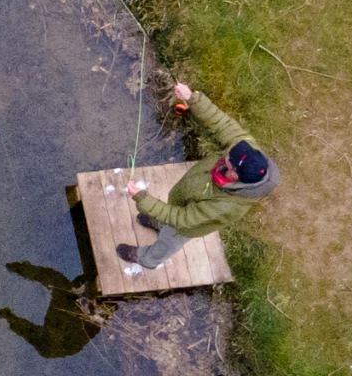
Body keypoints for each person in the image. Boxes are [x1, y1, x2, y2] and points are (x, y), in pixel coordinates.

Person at [120, 83, 281, 271]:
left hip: (185, 224)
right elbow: (222, 124)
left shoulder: (224, 206)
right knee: (168, 215)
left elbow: (182, 218)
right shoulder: (247, 151)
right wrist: (192, 99)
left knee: (168, 239)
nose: (228, 152)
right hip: (184, 199)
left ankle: (147, 259)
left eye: (230, 159)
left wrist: (142, 198)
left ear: (234, 174)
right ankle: (158, 222)